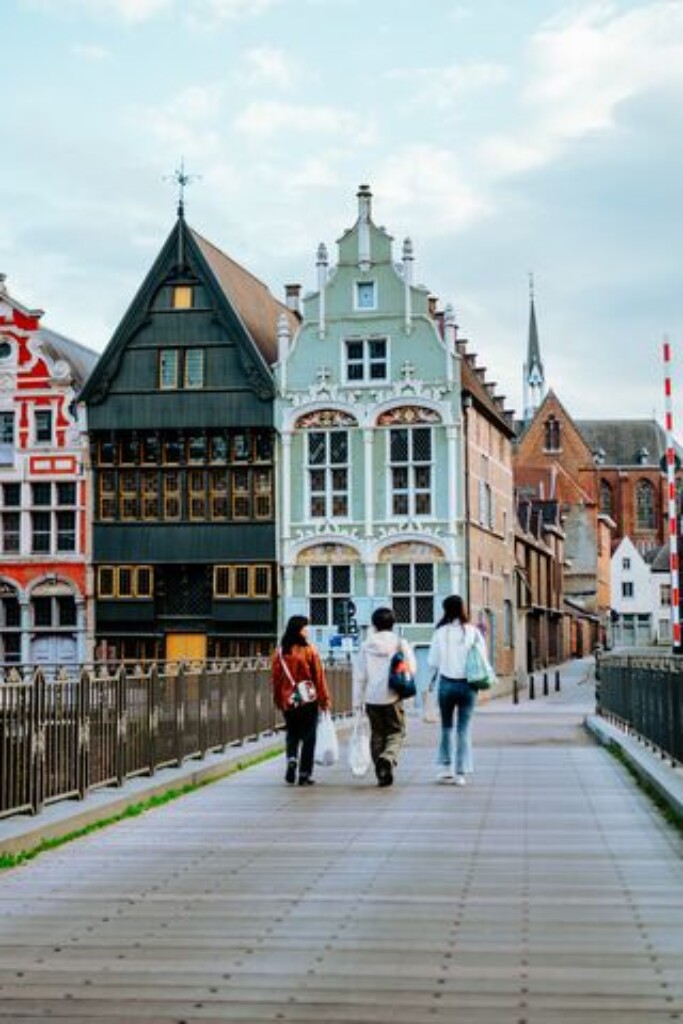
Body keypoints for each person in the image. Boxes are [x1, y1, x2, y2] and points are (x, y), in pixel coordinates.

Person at [427, 594, 492, 786]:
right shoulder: (472, 632)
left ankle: (445, 769)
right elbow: (483, 659)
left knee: (446, 728)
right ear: (463, 609)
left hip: (446, 684)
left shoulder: (440, 632)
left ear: (445, 609)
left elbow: (432, 662)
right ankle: (460, 773)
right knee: (463, 730)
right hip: (468, 685)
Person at [353, 607, 416, 787]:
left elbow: (359, 676)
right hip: (393, 696)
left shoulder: (366, 645)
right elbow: (412, 668)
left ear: (374, 625)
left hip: (372, 698)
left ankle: (381, 772)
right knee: (397, 731)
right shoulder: (399, 643)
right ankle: (387, 759)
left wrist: (357, 702)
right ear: (393, 623)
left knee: (377, 733)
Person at [271, 615, 331, 786]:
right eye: (305, 628)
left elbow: (275, 679)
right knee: (309, 737)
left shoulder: (280, 652)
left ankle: (291, 759)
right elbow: (319, 677)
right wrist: (324, 699)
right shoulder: (309, 650)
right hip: (307, 699)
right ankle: (304, 773)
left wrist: (278, 699)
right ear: (299, 630)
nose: (307, 631)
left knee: (292, 733)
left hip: (288, 700)